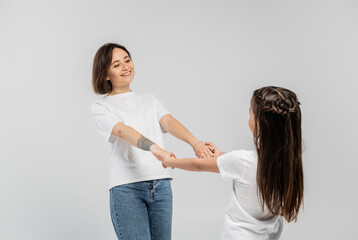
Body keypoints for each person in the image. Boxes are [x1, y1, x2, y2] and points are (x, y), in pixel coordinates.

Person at [90, 43, 213, 240]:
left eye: (127, 60)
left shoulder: (149, 99)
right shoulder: (101, 106)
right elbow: (122, 130)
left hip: (161, 184)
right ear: (105, 74)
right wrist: (156, 149)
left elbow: (169, 122)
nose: (125, 67)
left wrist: (196, 143)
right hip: (127, 187)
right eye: (116, 65)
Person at [154, 86, 304, 239]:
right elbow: (248, 166)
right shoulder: (288, 161)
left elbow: (198, 165)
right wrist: (220, 155)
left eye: (250, 114)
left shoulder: (243, 160)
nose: (248, 118)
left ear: (259, 124)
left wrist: (171, 161)